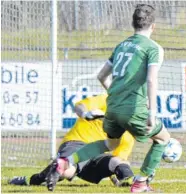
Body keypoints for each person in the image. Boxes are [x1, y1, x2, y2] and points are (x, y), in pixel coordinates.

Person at [46, 4, 170, 193]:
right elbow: (151, 79)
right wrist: (152, 112)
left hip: (112, 106)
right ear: (153, 26)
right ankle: (141, 183)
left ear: (133, 24)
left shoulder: (121, 46)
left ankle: (66, 161)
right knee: (162, 139)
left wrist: (117, 94)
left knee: (109, 144)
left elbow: (102, 76)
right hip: (133, 108)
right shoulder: (154, 48)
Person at [9, 94, 134, 187]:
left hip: (96, 157)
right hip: (76, 143)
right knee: (68, 170)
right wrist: (85, 114)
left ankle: (127, 180)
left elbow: (116, 162)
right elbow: (80, 106)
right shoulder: (106, 100)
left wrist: (118, 181)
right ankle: (34, 179)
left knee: (119, 162)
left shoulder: (128, 134)